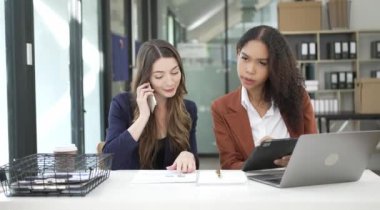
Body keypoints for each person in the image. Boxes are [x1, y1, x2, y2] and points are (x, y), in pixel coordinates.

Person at [211, 25, 317, 170]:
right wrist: (263, 157)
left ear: (275, 66)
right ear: (237, 54)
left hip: (293, 186)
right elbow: (229, 165)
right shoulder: (221, 108)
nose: (250, 70)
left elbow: (313, 151)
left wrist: (295, 161)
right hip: (250, 190)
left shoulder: (298, 97)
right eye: (245, 58)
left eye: (262, 63)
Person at [103, 39, 199, 173]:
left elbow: (194, 164)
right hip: (131, 191)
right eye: (159, 76)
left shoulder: (188, 109)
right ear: (146, 78)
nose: (170, 82)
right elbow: (111, 161)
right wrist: (143, 117)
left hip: (172, 191)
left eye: (175, 72)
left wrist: (188, 156)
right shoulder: (122, 105)